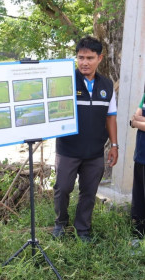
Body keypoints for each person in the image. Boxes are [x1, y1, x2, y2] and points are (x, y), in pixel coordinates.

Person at [52, 36, 118, 242]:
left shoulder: (107, 85)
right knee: (62, 188)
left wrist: (114, 145)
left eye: (90, 57)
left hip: (94, 152)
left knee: (89, 192)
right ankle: (60, 224)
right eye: (80, 57)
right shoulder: (66, 82)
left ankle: (83, 229)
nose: (84, 62)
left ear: (100, 58)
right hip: (68, 149)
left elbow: (110, 117)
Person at [130, 84, 145, 238]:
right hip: (140, 155)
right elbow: (136, 115)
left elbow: (134, 121)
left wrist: (136, 123)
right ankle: (137, 234)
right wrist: (138, 121)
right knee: (139, 197)